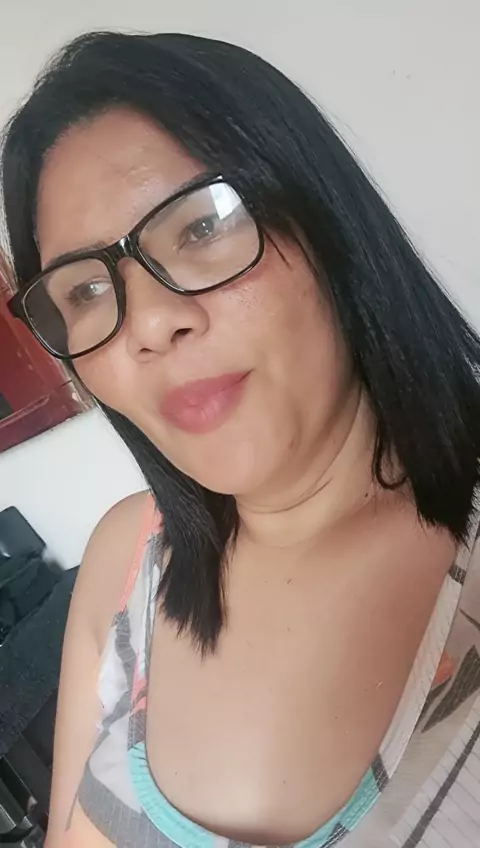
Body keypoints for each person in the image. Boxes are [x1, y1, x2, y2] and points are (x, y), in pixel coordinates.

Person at [2, 30, 480, 848]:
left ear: (327, 222)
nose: (148, 323)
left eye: (199, 228)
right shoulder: (125, 561)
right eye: (84, 290)